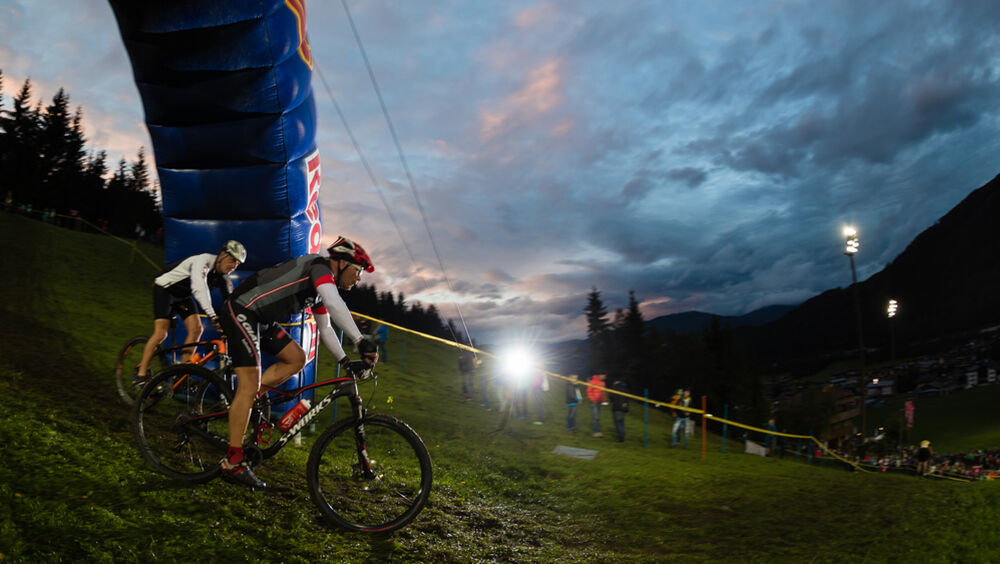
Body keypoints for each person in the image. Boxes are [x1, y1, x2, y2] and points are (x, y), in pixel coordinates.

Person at [217, 236, 379, 489]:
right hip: (242, 309)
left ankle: (251, 398)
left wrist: (346, 361)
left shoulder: (320, 290)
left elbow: (326, 328)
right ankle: (233, 461)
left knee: (297, 358)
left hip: (261, 319)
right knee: (249, 384)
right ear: (341, 263)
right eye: (357, 271)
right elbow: (335, 302)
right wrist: (360, 341)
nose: (358, 278)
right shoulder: (320, 268)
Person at [135, 240, 246, 382]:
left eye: (237, 264)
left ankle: (181, 374)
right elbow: (199, 288)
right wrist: (212, 316)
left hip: (182, 295)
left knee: (197, 329)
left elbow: (231, 302)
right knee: (161, 333)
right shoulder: (203, 261)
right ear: (222, 255)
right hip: (165, 288)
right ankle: (141, 374)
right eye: (232, 260)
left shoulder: (224, 277)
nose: (234, 266)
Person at [587, 372, 608, 438]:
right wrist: (592, 399)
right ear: (600, 375)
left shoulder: (603, 383)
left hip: (599, 402)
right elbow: (589, 391)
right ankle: (595, 432)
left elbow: (603, 393)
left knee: (598, 418)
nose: (605, 377)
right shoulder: (593, 381)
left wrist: (604, 401)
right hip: (594, 403)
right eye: (604, 376)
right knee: (595, 417)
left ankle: (598, 431)